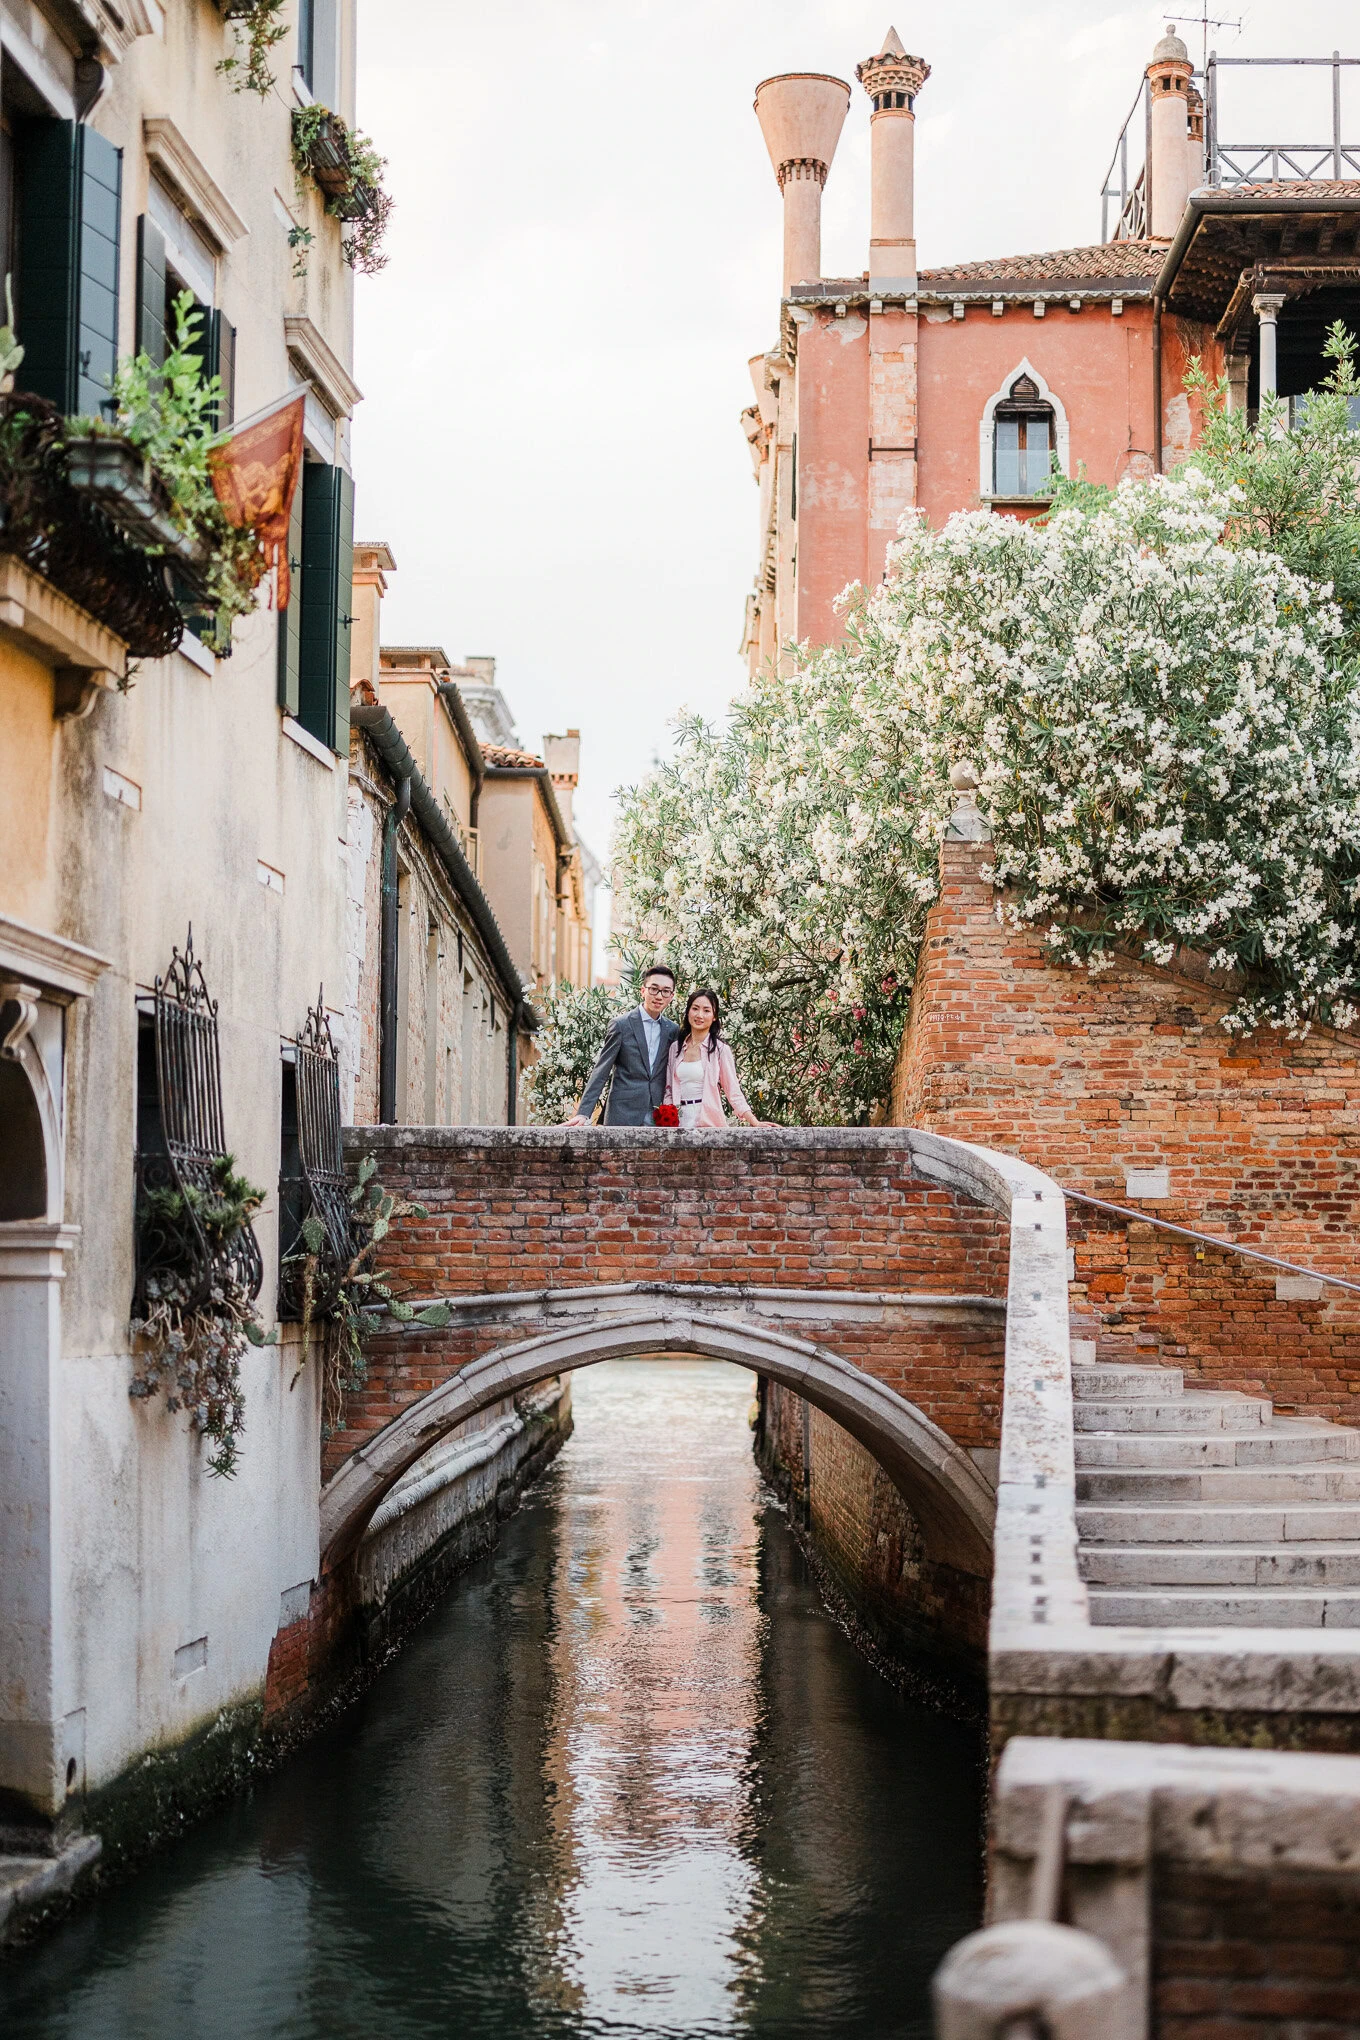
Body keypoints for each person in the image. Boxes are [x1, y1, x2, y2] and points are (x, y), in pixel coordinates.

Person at [565, 965, 680, 1126]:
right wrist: (584, 1113)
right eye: (654, 989)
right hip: (623, 1112)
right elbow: (601, 1071)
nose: (659, 996)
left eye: (666, 991)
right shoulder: (621, 1025)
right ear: (643, 991)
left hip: (657, 1114)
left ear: (672, 996)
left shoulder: (672, 1030)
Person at [663, 988, 760, 1129]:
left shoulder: (720, 1050)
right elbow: (669, 1089)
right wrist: (668, 1118)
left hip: (708, 1121)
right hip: (678, 1122)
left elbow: (733, 1091)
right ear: (688, 1011)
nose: (699, 1015)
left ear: (714, 1016)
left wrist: (754, 1121)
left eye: (706, 1010)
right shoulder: (675, 1048)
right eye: (695, 1008)